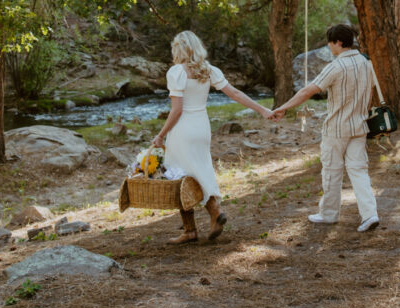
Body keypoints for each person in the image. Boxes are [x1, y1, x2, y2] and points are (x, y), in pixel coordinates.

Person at [152, 31, 273, 244]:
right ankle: (208, 216)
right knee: (200, 170)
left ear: (178, 49)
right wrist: (262, 109)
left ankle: (196, 225)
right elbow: (235, 93)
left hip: (183, 129)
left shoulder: (177, 72)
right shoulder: (208, 70)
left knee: (178, 175)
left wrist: (161, 135)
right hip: (202, 127)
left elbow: (177, 109)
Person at [270, 24, 380, 232]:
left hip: (337, 128)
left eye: (330, 43)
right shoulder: (367, 64)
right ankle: (370, 214)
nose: (330, 47)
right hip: (359, 126)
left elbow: (308, 91)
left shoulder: (336, 66)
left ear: (338, 42)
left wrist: (283, 107)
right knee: (359, 171)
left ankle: (329, 214)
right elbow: (370, 91)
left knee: (331, 171)